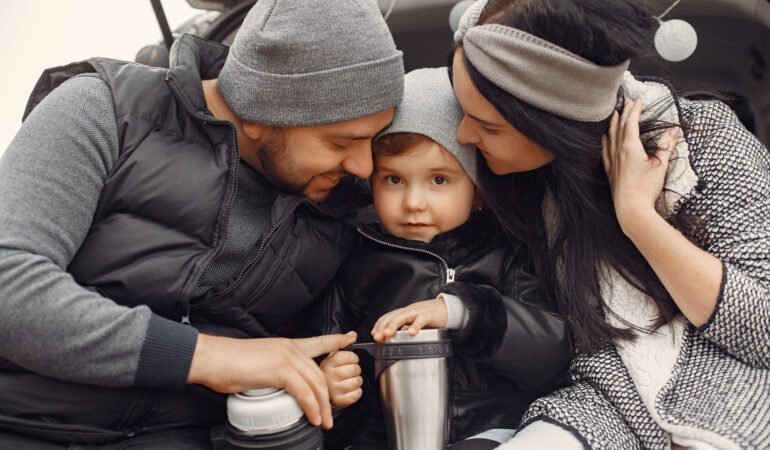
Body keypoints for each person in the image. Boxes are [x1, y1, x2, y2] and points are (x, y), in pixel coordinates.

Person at [0, 0, 404, 447]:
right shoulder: (106, 111)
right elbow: (8, 285)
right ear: (257, 113)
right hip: (23, 422)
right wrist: (211, 358)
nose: (365, 167)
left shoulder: (347, 203)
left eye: (374, 139)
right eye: (340, 142)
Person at [449, 0, 770, 448]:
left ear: (550, 123)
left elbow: (763, 331)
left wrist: (638, 218)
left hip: (736, 404)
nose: (463, 135)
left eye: (489, 126)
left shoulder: (704, 140)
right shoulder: (509, 184)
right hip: (597, 407)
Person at [313, 68, 571, 450]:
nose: (414, 202)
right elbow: (331, 341)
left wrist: (463, 312)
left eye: (439, 180)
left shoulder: (506, 252)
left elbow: (551, 354)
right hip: (383, 432)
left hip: (489, 428)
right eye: (394, 180)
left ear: (478, 190)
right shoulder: (357, 256)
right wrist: (331, 380)